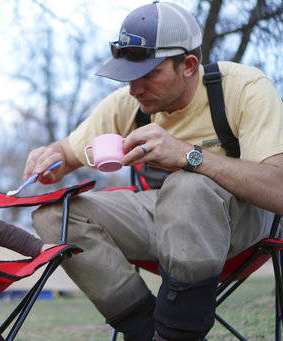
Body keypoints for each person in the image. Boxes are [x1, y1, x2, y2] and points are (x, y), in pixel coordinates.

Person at [22, 1, 283, 340]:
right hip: (163, 218)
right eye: (127, 76)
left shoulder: (244, 88)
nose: (133, 89)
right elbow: (66, 155)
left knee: (187, 188)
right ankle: (146, 329)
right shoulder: (129, 104)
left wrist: (188, 155)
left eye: (146, 75)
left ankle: (178, 333)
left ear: (188, 65)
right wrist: (48, 159)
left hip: (242, 224)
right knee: (54, 215)